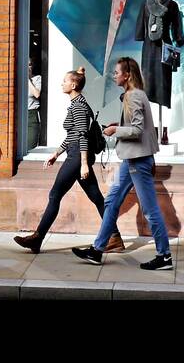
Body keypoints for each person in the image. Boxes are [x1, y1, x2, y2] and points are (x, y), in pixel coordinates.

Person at [72, 57, 173, 271]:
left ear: (127, 75)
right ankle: (97, 250)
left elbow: (137, 131)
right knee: (111, 202)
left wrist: (115, 131)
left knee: (150, 210)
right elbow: (139, 127)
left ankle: (164, 255)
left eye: (117, 72)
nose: (114, 75)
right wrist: (119, 125)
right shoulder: (133, 95)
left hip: (138, 160)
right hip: (131, 160)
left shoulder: (134, 96)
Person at [14, 68, 123, 254]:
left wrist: (83, 164)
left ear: (73, 85)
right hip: (76, 154)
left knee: (55, 195)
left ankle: (37, 238)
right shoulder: (77, 103)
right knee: (96, 197)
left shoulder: (79, 106)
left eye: (65, 81)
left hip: (77, 157)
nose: (61, 84)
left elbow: (82, 136)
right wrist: (56, 154)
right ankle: (115, 236)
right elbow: (73, 134)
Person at [27, 57, 43, 150]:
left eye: (30, 64)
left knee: (31, 145)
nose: (28, 67)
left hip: (32, 115)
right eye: (26, 65)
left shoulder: (37, 78)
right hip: (18, 115)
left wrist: (28, 79)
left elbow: (37, 94)